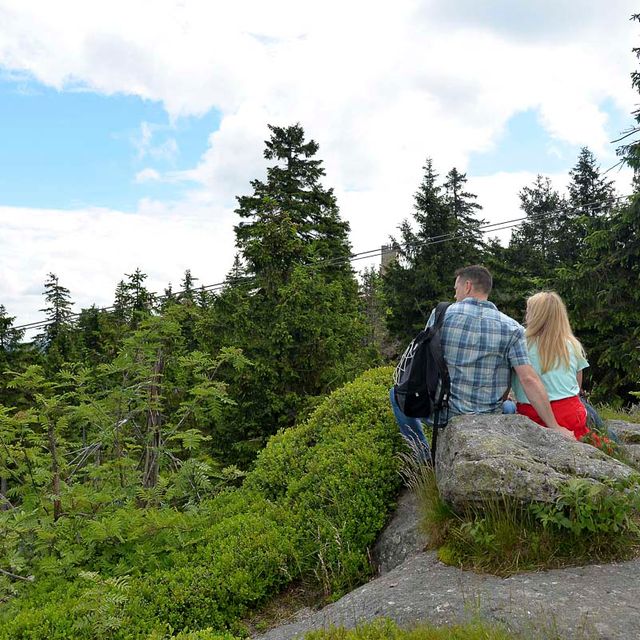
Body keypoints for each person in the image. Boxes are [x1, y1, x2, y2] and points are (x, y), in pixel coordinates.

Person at [392, 265, 573, 460]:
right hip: (489, 417)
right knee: (510, 407)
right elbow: (528, 379)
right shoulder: (513, 328)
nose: (455, 295)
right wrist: (554, 427)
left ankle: (423, 458)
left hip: (445, 414)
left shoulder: (441, 315)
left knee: (396, 394)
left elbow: (426, 363)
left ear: (468, 286)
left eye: (456, 289)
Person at [512, 291, 589, 440]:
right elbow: (577, 386)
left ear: (535, 315)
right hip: (571, 411)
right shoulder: (572, 344)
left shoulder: (520, 343)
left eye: (528, 311)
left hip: (534, 414)